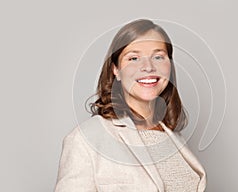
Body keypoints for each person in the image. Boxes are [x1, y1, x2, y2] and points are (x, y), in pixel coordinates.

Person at [54, 19, 206, 192]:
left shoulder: (175, 139)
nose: (148, 67)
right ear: (116, 70)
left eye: (158, 57)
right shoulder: (86, 140)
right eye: (134, 58)